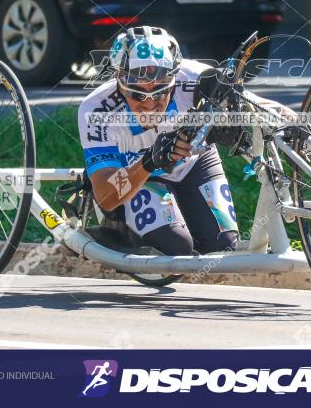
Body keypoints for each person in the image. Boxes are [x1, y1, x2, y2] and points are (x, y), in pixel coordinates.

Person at [77, 26, 284, 256]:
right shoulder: (95, 109)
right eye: (137, 94)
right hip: (137, 170)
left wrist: (309, 127)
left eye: (160, 93)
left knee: (221, 245)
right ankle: (120, 226)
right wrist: (149, 161)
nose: (148, 105)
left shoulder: (196, 77)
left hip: (194, 163)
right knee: (176, 247)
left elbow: (259, 106)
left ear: (174, 80)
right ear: (119, 81)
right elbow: (106, 197)